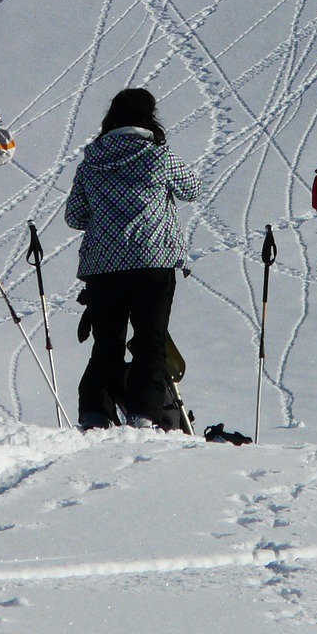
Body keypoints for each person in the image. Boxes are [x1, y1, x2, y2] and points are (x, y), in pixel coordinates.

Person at [65, 88, 200, 431]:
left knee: (106, 345)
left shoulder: (92, 161)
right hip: (153, 261)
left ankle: (94, 412)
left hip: (103, 268)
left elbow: (75, 216)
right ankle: (143, 414)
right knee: (149, 342)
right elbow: (191, 189)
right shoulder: (159, 155)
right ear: (150, 117)